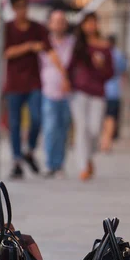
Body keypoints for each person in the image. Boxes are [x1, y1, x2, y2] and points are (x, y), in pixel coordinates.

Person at [4, 0, 71, 179]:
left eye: (25, 6)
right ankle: (17, 160)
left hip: (34, 82)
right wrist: (29, 47)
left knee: (38, 117)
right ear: (13, 8)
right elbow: (5, 53)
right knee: (15, 124)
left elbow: (50, 52)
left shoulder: (37, 28)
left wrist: (64, 75)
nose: (23, 11)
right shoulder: (7, 28)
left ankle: (30, 150)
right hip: (14, 83)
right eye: (19, 7)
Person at [68, 13, 114, 181]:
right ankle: (83, 166)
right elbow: (70, 66)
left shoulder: (105, 46)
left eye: (93, 23)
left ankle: (88, 157)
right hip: (79, 91)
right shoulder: (78, 45)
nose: (90, 26)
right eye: (87, 23)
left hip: (97, 92)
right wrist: (67, 82)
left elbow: (110, 72)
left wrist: (100, 67)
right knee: (82, 128)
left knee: (94, 129)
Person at [39, 9, 75, 178]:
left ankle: (59, 164)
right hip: (49, 90)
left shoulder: (72, 43)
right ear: (49, 24)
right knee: (50, 128)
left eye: (62, 21)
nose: (59, 24)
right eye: (55, 21)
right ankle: (50, 163)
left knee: (63, 129)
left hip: (68, 93)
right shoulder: (44, 44)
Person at [101, 35, 127, 152]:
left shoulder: (103, 54)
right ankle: (107, 142)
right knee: (111, 117)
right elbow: (124, 72)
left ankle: (105, 141)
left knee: (106, 118)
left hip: (103, 91)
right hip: (114, 92)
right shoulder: (119, 55)